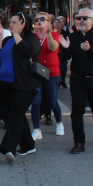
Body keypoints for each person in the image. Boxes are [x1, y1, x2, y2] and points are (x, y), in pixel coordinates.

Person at [0, 12, 41, 163]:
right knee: (16, 114)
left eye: (14, 22)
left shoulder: (31, 39)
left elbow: (28, 51)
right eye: (10, 23)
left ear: (22, 24)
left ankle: (9, 148)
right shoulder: (7, 40)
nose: (10, 25)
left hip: (24, 85)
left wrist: (17, 35)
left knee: (15, 115)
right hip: (5, 84)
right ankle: (28, 145)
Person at [61, 9, 93, 154]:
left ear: (92, 20)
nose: (81, 20)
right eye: (78, 18)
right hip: (77, 79)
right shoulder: (73, 36)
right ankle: (79, 142)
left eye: (84, 18)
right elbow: (66, 56)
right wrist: (65, 48)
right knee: (77, 111)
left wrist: (90, 50)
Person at [29, 12, 64, 140]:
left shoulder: (54, 34)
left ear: (48, 21)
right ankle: (36, 129)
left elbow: (52, 47)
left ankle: (59, 123)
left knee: (52, 101)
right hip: (38, 72)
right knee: (36, 102)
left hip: (52, 72)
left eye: (42, 19)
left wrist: (48, 33)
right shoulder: (33, 36)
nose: (39, 21)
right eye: (37, 19)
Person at [56, 17, 70, 88]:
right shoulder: (53, 32)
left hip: (63, 54)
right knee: (57, 68)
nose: (60, 24)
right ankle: (58, 81)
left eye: (62, 22)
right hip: (56, 54)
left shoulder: (65, 32)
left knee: (63, 68)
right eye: (59, 22)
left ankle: (63, 80)